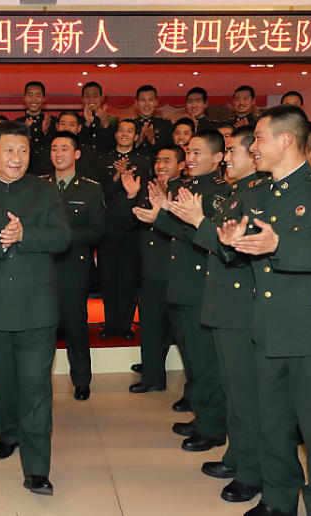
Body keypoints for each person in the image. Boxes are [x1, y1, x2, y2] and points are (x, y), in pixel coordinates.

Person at [216, 105, 311, 516]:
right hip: (267, 329)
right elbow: (246, 255)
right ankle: (278, 500)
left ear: (286, 139)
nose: (252, 147)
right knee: (271, 424)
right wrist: (231, 244)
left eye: (258, 138)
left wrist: (279, 246)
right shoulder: (255, 191)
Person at [0, 120, 71, 496]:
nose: (16, 157)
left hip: (37, 306)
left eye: (22, 150)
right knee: (4, 383)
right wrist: (0, 243)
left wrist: (26, 235)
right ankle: (8, 434)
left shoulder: (45, 191)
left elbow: (62, 237)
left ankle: (37, 469)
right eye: (8, 150)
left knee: (36, 387)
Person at [165, 126, 263, 502]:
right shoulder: (238, 191)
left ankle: (250, 465)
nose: (233, 156)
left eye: (235, 149)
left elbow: (233, 249)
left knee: (243, 393)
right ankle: (238, 456)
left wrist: (198, 221)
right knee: (233, 388)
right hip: (222, 299)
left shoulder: (256, 194)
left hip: (240, 304)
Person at [140, 130, 231, 453]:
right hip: (181, 284)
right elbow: (180, 231)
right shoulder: (186, 187)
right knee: (193, 360)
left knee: (206, 362)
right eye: (188, 153)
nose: (189, 159)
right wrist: (160, 214)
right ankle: (201, 416)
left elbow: (203, 235)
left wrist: (163, 216)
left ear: (218, 158)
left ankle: (213, 426)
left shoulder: (219, 193)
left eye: (197, 153)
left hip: (201, 286)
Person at [42, 131, 105, 401]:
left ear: (76, 154)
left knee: (76, 326)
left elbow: (96, 230)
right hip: (41, 266)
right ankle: (39, 381)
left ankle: (81, 379)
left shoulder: (91, 188)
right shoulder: (39, 186)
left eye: (65, 149)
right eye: (55, 148)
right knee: (41, 327)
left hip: (73, 266)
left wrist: (62, 239)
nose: (59, 154)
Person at [127, 145, 184, 395]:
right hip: (150, 270)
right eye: (159, 160)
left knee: (184, 335)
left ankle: (193, 395)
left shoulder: (185, 192)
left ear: (181, 165)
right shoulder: (147, 189)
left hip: (176, 272)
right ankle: (152, 378)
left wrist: (165, 206)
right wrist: (131, 196)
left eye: (168, 160)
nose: (161, 165)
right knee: (149, 327)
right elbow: (124, 223)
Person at [95, 119, 149, 341]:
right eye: (121, 130)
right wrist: (117, 176)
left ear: (136, 137)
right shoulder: (103, 160)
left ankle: (126, 325)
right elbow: (99, 195)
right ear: (115, 135)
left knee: (128, 279)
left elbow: (144, 193)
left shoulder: (144, 162)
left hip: (132, 228)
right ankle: (110, 324)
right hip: (106, 229)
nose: (125, 134)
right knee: (108, 280)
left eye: (130, 131)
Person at [16, 81, 55, 176]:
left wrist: (45, 133)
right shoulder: (17, 123)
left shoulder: (52, 122)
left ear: (44, 99)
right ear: (24, 98)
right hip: (23, 173)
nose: (33, 99)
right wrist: (23, 131)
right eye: (30, 95)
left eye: (38, 95)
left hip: (47, 173)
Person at [132, 84, 174, 159]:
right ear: (136, 103)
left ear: (156, 102)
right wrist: (139, 141)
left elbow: (171, 152)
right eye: (143, 100)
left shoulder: (166, 125)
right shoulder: (130, 125)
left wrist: (153, 141)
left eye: (150, 100)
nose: (147, 104)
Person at [79, 81, 119, 156]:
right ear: (82, 99)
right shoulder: (77, 121)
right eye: (87, 96)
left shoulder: (113, 120)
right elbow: (76, 143)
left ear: (102, 98)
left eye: (95, 95)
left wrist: (105, 124)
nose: (91, 99)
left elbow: (116, 144)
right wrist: (87, 124)